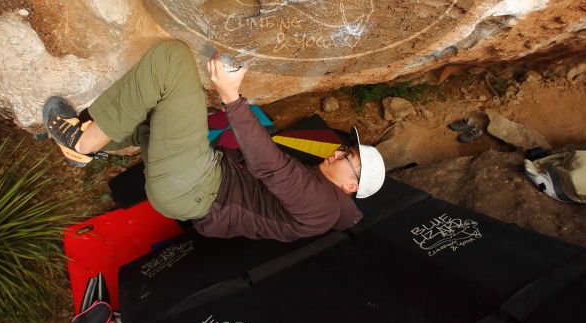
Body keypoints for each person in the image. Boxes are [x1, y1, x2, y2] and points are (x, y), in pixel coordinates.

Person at [43, 40, 385, 242]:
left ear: (351, 187)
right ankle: (90, 139)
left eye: (348, 157)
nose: (339, 151)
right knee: (152, 116)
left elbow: (270, 167)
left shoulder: (322, 207)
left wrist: (231, 98)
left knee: (171, 59)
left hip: (195, 186)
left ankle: (83, 143)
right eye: (346, 148)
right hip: (195, 185)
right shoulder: (320, 193)